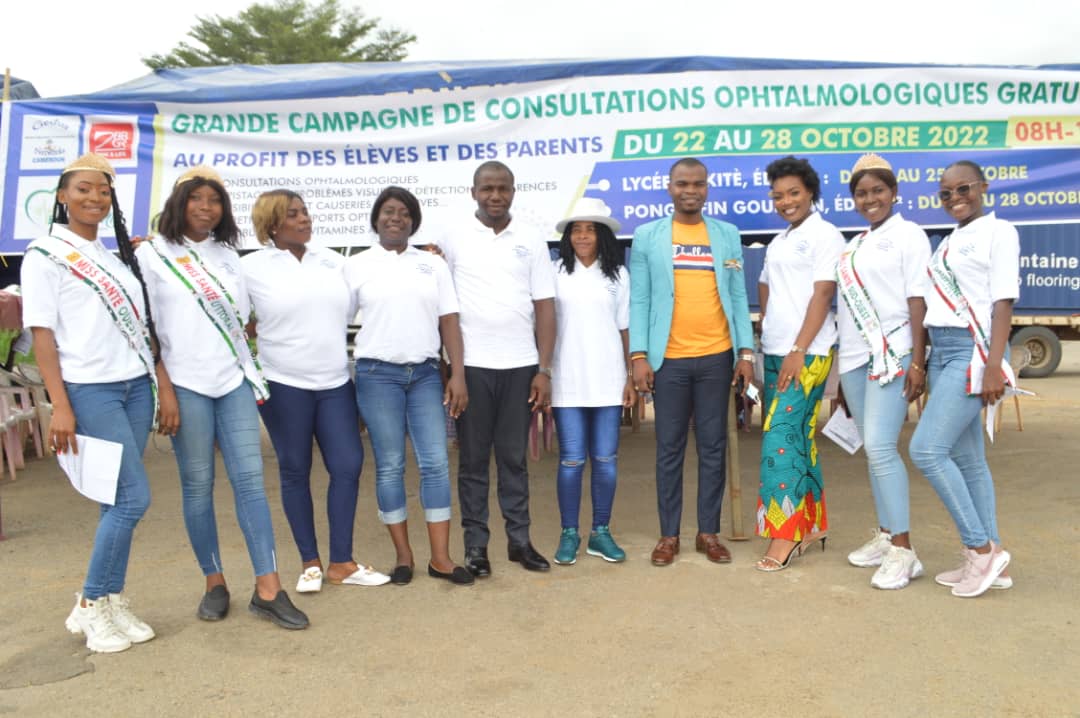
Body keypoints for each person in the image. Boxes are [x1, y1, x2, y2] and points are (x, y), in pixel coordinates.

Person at [136, 166, 308, 629]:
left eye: (214, 200)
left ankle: (268, 588)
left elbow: (271, 293)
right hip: (185, 386)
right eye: (196, 199)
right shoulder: (152, 255)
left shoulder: (231, 256)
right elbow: (145, 329)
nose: (206, 208)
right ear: (179, 203)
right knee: (198, 487)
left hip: (231, 381)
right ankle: (214, 582)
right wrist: (163, 388)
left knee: (251, 483)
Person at [21, 153, 159, 653]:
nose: (94, 198)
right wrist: (60, 405)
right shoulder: (45, 254)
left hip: (134, 388)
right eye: (83, 189)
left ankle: (109, 598)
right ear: (62, 196)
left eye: (102, 191)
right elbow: (42, 336)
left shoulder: (111, 255)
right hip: (90, 390)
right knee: (132, 498)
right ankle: (91, 603)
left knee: (114, 500)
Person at [244, 190, 388, 593]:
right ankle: (310, 562)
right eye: (293, 214)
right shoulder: (252, 268)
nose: (304, 219)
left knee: (347, 465)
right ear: (272, 224)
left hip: (334, 383)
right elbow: (237, 320)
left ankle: (342, 561)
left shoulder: (333, 262)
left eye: (305, 211)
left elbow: (375, 289)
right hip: (283, 384)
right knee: (295, 470)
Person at [629, 158, 755, 567]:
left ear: (707, 188)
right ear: (669, 188)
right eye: (682, 183)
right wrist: (639, 354)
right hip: (670, 362)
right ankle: (668, 535)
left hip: (717, 357)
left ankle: (707, 532)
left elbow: (737, 298)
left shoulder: (726, 235)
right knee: (669, 448)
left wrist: (745, 352)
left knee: (714, 446)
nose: (690, 190)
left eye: (698, 184)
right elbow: (641, 299)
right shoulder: (648, 236)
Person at [346, 186, 473, 586]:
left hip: (424, 375)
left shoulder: (432, 265)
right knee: (390, 465)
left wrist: (457, 374)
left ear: (413, 220)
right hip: (375, 375)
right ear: (376, 218)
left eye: (403, 212)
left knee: (435, 462)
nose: (395, 217)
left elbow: (449, 319)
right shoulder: (356, 264)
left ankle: (441, 559)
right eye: (387, 211)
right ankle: (403, 557)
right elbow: (334, 321)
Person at [437, 161, 557, 576]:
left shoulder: (531, 238)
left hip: (520, 366)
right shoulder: (452, 237)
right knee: (472, 460)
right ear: (473, 192)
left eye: (503, 188)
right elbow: (443, 307)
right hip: (471, 368)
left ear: (513, 192)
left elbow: (544, 305)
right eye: (487, 188)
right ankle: (476, 547)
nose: (495, 195)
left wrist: (543, 369)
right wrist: (454, 371)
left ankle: (519, 542)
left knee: (513, 459)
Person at [908, 160, 1016, 598]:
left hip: (975, 352)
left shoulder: (999, 231)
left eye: (963, 189)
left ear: (983, 187)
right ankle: (994, 560)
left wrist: (993, 364)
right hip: (944, 351)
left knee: (927, 450)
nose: (955, 198)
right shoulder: (949, 242)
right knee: (969, 459)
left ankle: (980, 548)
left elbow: (1003, 301)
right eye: (946, 194)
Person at [836, 153, 931, 589]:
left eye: (878, 190)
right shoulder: (854, 245)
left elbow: (918, 299)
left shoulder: (909, 235)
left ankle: (905, 550)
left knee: (880, 446)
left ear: (894, 192)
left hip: (892, 353)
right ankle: (886, 535)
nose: (870, 199)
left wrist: (917, 359)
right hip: (855, 357)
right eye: (861, 192)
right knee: (873, 453)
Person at [755, 156, 846, 572]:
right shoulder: (780, 241)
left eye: (793, 193)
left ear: (811, 192)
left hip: (805, 354)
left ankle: (785, 533)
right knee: (800, 439)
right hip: (775, 350)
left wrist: (797, 346)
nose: (786, 201)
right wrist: (772, 336)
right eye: (778, 195)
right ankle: (812, 526)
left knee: (778, 441)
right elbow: (766, 287)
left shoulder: (825, 235)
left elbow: (823, 295)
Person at [549, 198, 636, 566]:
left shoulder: (618, 275)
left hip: (608, 380)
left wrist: (630, 376)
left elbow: (625, 328)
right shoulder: (553, 273)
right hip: (566, 379)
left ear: (602, 235)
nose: (583, 235)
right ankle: (570, 532)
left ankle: (600, 532)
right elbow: (543, 325)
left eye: (590, 229)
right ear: (568, 237)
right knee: (571, 461)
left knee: (605, 460)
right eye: (576, 229)